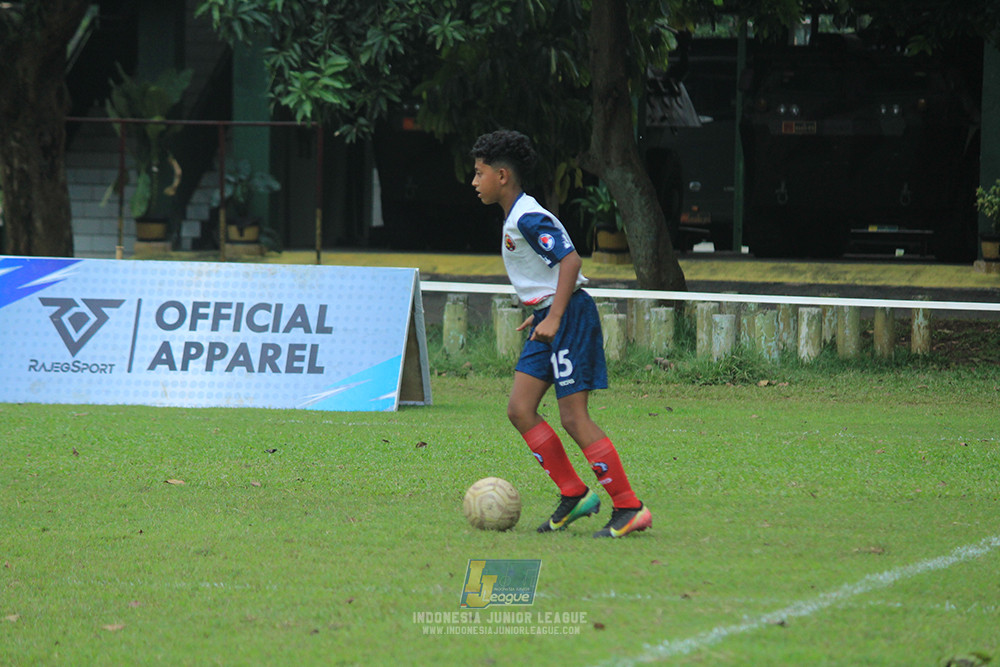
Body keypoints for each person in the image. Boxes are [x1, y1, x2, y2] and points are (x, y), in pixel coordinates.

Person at [470, 129, 652, 538]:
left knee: (573, 416)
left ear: (501, 176)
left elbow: (570, 262)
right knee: (519, 409)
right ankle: (575, 494)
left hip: (569, 318)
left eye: (479, 173)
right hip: (548, 318)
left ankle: (629, 506)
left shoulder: (527, 216)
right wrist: (538, 310)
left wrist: (554, 315)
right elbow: (545, 274)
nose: (474, 182)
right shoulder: (514, 216)